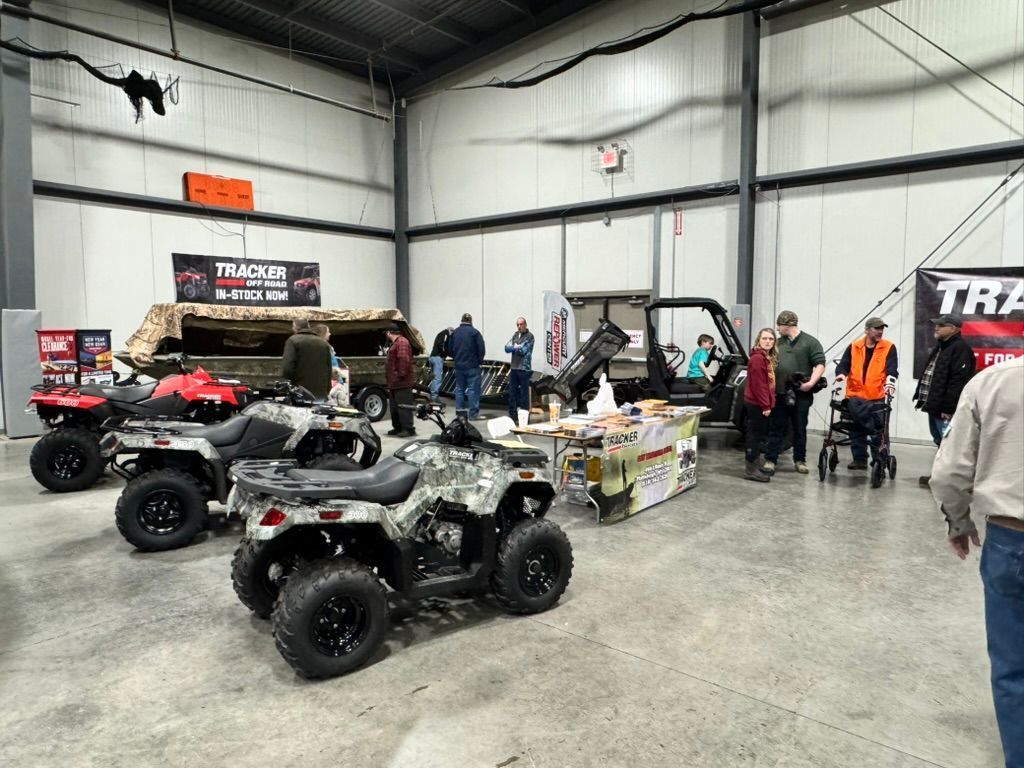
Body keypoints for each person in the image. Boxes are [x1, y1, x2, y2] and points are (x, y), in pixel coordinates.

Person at [929, 355, 1023, 768]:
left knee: (1013, 671)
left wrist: (958, 522)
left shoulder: (992, 383)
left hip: (1011, 539)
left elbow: (949, 472)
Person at [913, 314, 976, 487]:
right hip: (934, 405)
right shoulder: (943, 346)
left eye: (941, 325)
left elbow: (958, 382)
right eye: (936, 324)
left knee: (950, 445)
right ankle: (940, 477)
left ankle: (951, 480)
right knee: (940, 442)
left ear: (954, 329)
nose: (936, 327)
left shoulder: (960, 349)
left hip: (945, 409)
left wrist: (948, 408)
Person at [761, 310, 826, 476]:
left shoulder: (810, 342)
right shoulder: (778, 344)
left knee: (799, 428)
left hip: (801, 395)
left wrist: (811, 383)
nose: (777, 329)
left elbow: (820, 364)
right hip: (780, 394)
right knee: (776, 427)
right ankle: (770, 459)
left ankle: (800, 460)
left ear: (788, 325)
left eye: (779, 326)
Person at [833, 317, 899, 470]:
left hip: (876, 397)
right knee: (856, 430)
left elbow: (892, 369)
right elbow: (844, 365)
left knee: (878, 432)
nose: (880, 331)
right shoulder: (854, 346)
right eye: (877, 328)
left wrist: (890, 382)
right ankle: (859, 459)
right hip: (855, 397)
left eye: (882, 328)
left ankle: (879, 460)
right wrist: (841, 374)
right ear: (867, 330)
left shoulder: (889, 347)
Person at [742, 328, 776, 483]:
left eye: (771, 339)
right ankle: (750, 470)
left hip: (760, 403)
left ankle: (754, 466)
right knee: (753, 436)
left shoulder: (764, 357)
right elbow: (759, 385)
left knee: (757, 436)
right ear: (758, 340)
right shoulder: (757, 359)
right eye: (764, 338)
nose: (768, 341)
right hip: (756, 404)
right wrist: (765, 406)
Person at [281, 318, 332, 400]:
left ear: (295, 327)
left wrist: (291, 384)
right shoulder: (323, 343)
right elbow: (329, 368)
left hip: (301, 391)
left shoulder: (292, 341)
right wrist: (327, 389)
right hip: (321, 392)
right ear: (308, 326)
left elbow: (287, 368)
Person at [449, 312, 486, 420]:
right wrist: (479, 361)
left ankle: (460, 413)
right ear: (471, 321)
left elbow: (450, 349)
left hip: (459, 366)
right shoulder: (475, 333)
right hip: (472, 366)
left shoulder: (455, 333)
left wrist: (456, 358)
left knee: (459, 389)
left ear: (462, 320)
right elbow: (481, 349)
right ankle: (473, 414)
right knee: (472, 390)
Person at [384, 325, 416, 437]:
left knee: (403, 406)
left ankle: (408, 429)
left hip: (401, 382)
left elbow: (404, 360)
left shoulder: (402, 342)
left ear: (389, 332)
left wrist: (399, 375)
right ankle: (397, 428)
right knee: (395, 407)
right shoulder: (396, 342)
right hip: (394, 383)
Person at [504, 317, 535, 421]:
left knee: (524, 394)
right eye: (517, 324)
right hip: (514, 367)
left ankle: (524, 416)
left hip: (524, 369)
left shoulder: (530, 337)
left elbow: (523, 350)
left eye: (521, 324)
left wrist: (515, 347)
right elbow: (506, 348)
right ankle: (513, 416)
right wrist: (515, 347)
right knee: (512, 393)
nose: (519, 326)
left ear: (525, 324)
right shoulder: (515, 335)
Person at [428, 327, 453, 403]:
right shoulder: (445, 334)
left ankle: (432, 396)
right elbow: (442, 346)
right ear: (450, 331)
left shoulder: (440, 333)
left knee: (434, 378)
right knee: (437, 379)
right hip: (437, 358)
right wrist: (445, 354)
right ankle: (434, 398)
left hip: (433, 357)